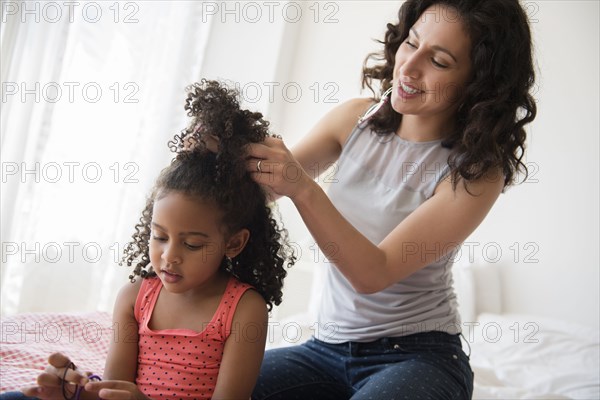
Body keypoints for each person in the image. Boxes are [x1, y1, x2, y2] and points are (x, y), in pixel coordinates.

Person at [248, 0, 536, 399]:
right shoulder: (354, 121)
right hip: (325, 349)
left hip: (418, 357)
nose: (410, 66)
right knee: (207, 384)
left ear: (479, 82)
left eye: (439, 60)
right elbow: (261, 190)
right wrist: (221, 157)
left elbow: (373, 273)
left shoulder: (474, 171)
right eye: (411, 43)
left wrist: (302, 187)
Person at [3, 80, 294, 400]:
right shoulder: (134, 298)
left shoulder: (243, 309)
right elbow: (112, 391)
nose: (169, 256)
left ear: (234, 243)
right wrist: (76, 391)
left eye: (192, 244)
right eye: (159, 236)